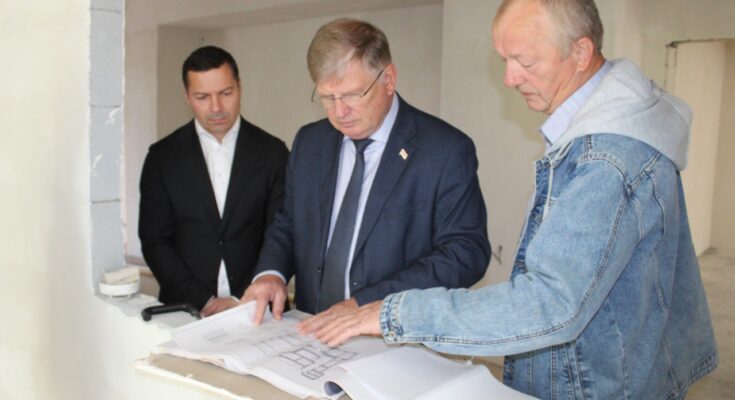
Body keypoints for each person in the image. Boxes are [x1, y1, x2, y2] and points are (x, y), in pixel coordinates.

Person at [309, 1, 719, 398]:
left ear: (580, 53)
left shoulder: (606, 158)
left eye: (524, 61)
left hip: (595, 384)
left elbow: (548, 303)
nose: (509, 78)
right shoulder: (603, 129)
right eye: (505, 60)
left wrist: (392, 313)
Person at [242, 18, 491, 329]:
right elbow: (289, 223)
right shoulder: (310, 142)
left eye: (352, 95)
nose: (339, 112)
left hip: (394, 340)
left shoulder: (444, 150)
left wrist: (367, 304)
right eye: (328, 98)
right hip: (311, 331)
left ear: (388, 79)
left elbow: (465, 253)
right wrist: (271, 273)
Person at [139, 46, 289, 317]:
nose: (216, 107)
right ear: (187, 97)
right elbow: (155, 241)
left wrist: (240, 298)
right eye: (202, 97)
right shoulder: (162, 157)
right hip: (185, 309)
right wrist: (204, 301)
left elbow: (281, 232)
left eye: (225, 93)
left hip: (259, 308)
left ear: (239, 87)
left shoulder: (273, 152)